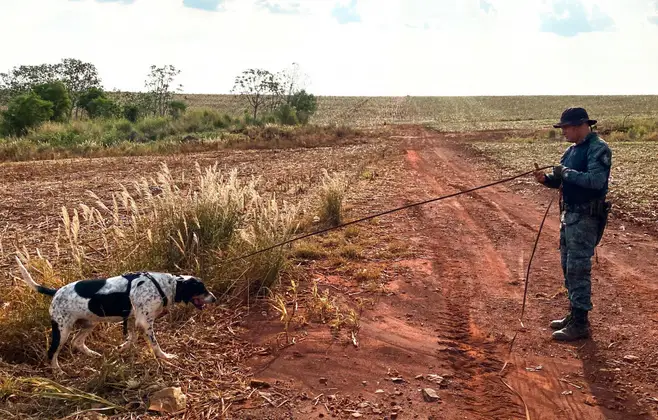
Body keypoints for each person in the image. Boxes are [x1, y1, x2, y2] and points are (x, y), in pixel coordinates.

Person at [533, 107, 612, 341]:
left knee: (578, 269)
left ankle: (581, 323)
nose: (563, 132)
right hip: (570, 217)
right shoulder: (571, 150)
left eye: (565, 128)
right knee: (568, 268)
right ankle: (573, 313)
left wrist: (565, 173)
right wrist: (546, 179)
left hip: (586, 218)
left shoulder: (598, 148)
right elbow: (561, 181)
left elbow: (596, 181)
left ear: (580, 125)